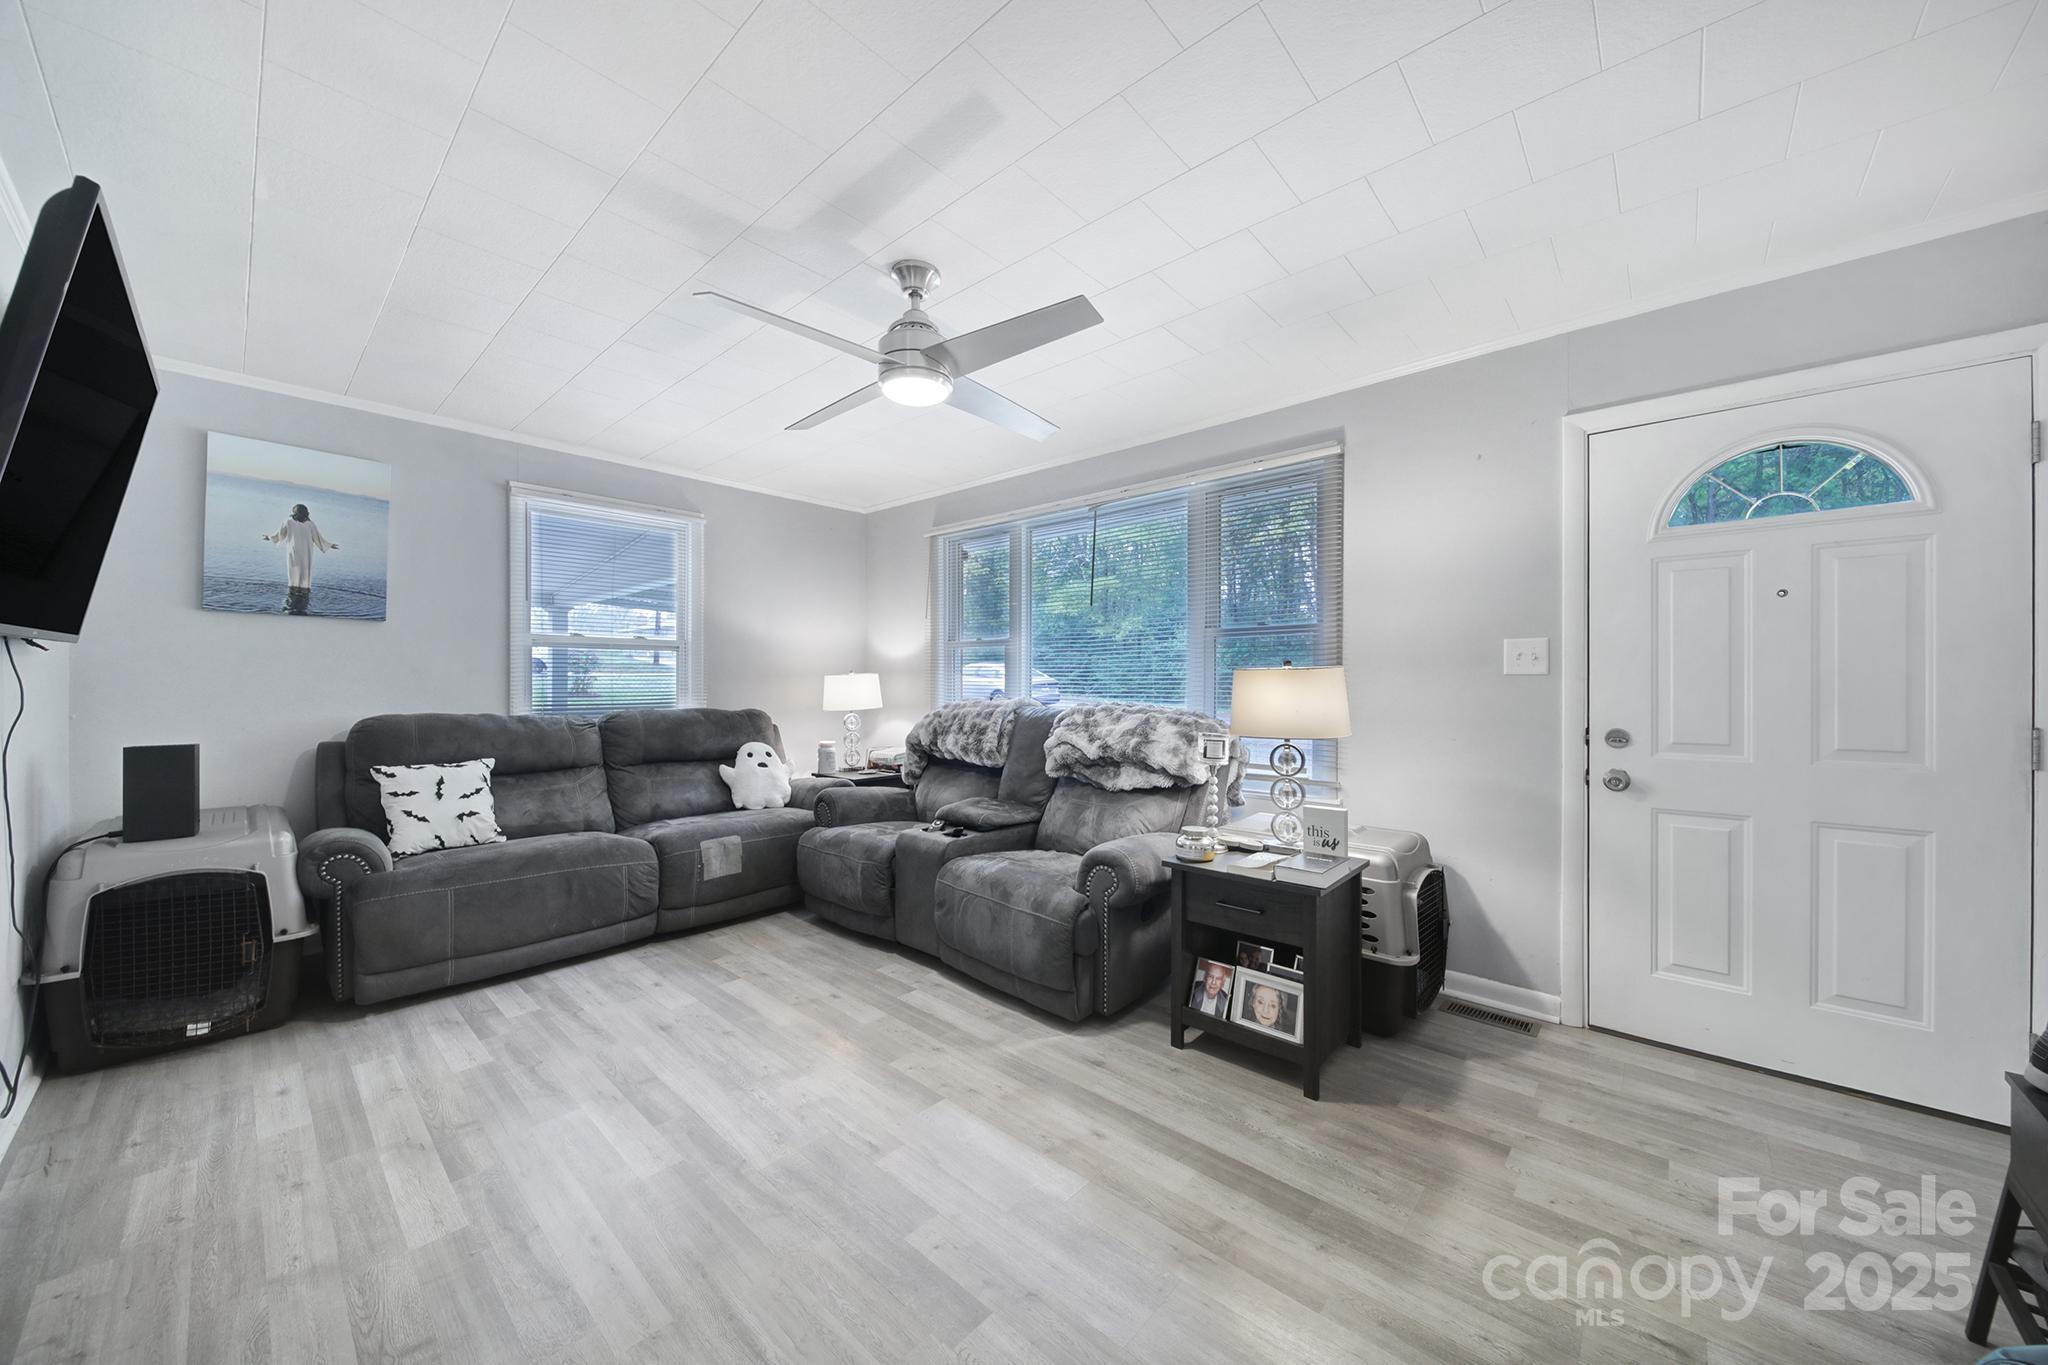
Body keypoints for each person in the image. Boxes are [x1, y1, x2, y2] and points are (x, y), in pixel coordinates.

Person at [263, 503, 339, 614]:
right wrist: (270, 538)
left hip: (298, 552)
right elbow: (281, 534)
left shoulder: (302, 523)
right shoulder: (302, 523)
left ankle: (295, 591)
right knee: (301, 571)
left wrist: (329, 545)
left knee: (298, 570)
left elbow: (280, 535)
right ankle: (301, 592)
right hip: (301, 552)